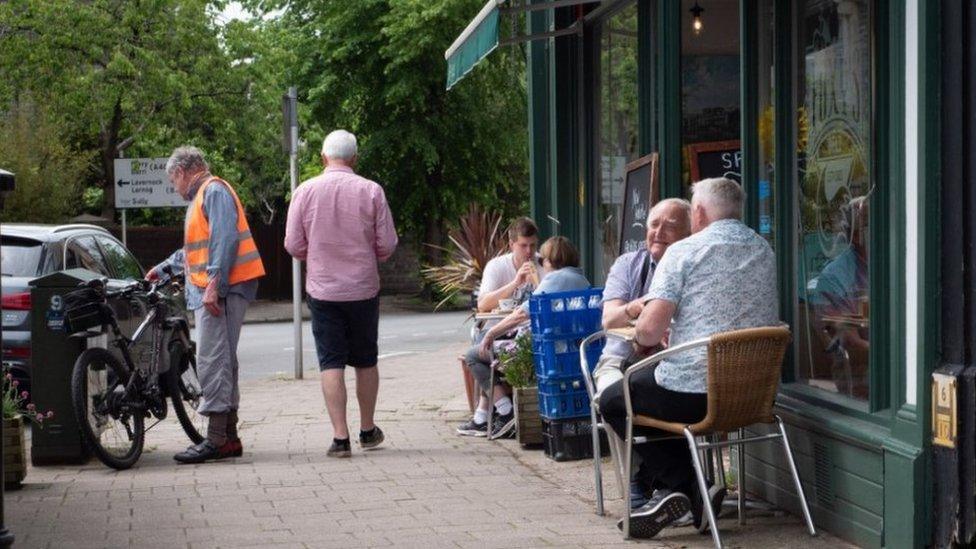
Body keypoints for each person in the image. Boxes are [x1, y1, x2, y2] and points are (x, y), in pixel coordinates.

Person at [599, 178, 778, 539]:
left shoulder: (684, 252)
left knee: (616, 398)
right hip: (753, 395)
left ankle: (688, 487)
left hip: (694, 396)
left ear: (698, 213)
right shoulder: (764, 250)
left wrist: (647, 329)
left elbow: (648, 333)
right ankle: (685, 490)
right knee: (641, 388)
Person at [284, 129, 398, 458]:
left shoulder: (304, 192)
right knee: (365, 360)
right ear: (355, 159)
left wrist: (318, 254)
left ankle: (340, 438)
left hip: (323, 291)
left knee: (330, 362)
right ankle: (367, 428)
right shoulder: (372, 191)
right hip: (362, 289)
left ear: (323, 158)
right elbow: (387, 244)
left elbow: (293, 245)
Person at [149, 146, 266, 464]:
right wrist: (163, 269)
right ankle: (228, 438)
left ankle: (215, 440)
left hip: (219, 292)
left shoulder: (212, 191)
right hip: (218, 290)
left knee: (212, 361)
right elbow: (196, 250)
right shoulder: (207, 195)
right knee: (223, 360)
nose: (175, 188)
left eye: (173, 181)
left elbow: (224, 240)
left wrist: (214, 285)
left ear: (182, 172)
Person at [591, 198, 692, 513]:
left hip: (673, 360)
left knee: (662, 392)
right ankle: (641, 478)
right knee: (613, 394)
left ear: (690, 232)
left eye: (670, 226)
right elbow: (609, 320)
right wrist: (636, 308)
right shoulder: (627, 264)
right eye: (653, 224)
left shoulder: (692, 267)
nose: (659, 232)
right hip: (618, 357)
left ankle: (664, 483)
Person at [456, 236, 590, 438]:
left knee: (475, 355)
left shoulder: (555, 279)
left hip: (546, 355)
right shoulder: (582, 280)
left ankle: (505, 411)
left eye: (543, 260)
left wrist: (493, 332)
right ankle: (483, 416)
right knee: (489, 349)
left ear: (549, 261)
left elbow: (522, 313)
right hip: (574, 352)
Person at [476, 217, 542, 314]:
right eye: (523, 245)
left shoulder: (545, 263)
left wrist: (538, 284)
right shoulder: (496, 265)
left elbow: (556, 303)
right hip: (502, 325)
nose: (529, 251)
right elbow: (482, 305)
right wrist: (515, 283)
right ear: (511, 244)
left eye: (532, 245)